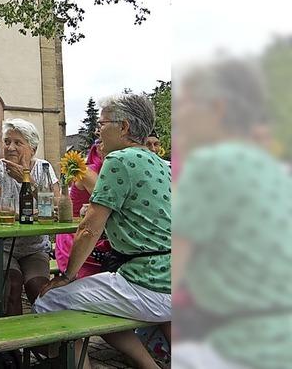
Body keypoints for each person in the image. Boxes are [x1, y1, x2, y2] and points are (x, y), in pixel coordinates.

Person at [34, 94, 171, 369]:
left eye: (103, 122)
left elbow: (88, 230)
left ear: (125, 127)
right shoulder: (160, 163)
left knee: (49, 300)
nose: (98, 130)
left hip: (147, 285)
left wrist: (67, 275)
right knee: (96, 304)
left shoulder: (119, 160)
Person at [171, 60, 292, 369]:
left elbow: (175, 268)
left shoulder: (210, 164)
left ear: (218, 108)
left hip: (239, 345)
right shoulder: (275, 167)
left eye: (185, 103)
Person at [0, 118, 60, 316]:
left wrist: (26, 180)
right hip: (3, 245)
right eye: (7, 141)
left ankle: (42, 341)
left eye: (18, 143)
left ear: (33, 149)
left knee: (39, 288)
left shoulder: (43, 168)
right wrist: (31, 214)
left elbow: (56, 205)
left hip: (34, 246)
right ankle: (13, 346)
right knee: (11, 285)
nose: (10, 147)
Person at [57, 139, 110, 278]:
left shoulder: (109, 172)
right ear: (98, 149)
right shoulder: (87, 172)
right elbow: (109, 203)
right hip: (75, 234)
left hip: (98, 234)